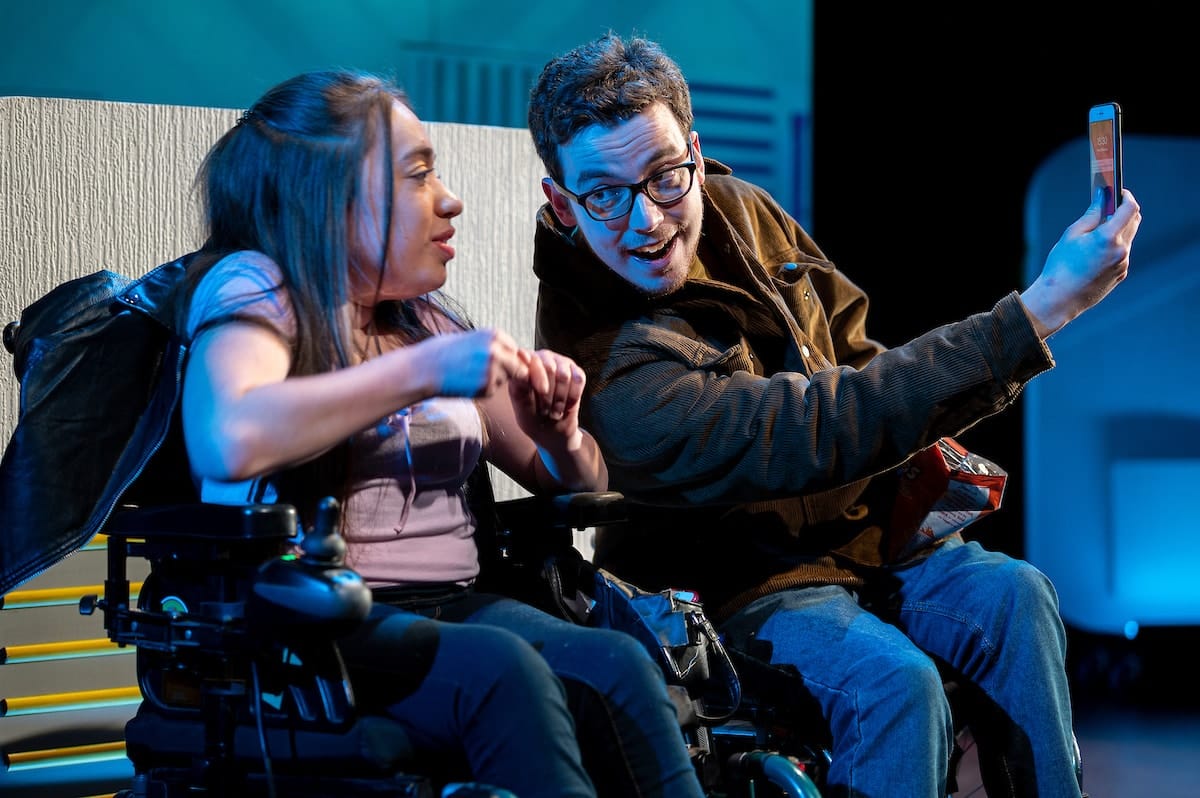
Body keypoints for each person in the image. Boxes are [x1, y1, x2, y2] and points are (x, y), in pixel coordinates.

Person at [526, 33, 1141, 798]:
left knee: (1017, 597)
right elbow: (818, 426)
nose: (646, 220)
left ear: (695, 152)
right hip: (741, 584)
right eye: (604, 195)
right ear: (563, 202)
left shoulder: (740, 210)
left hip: (866, 540)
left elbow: (852, 349)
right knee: (894, 684)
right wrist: (1040, 311)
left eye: (664, 179)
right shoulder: (608, 362)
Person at [176, 68, 705, 798]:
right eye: (418, 174)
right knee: (502, 671)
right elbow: (229, 438)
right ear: (328, 195)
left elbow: (584, 484)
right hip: (320, 624)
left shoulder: (425, 322)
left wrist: (559, 435)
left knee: (616, 662)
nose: (449, 200)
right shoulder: (258, 286)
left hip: (457, 606)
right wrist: (422, 371)